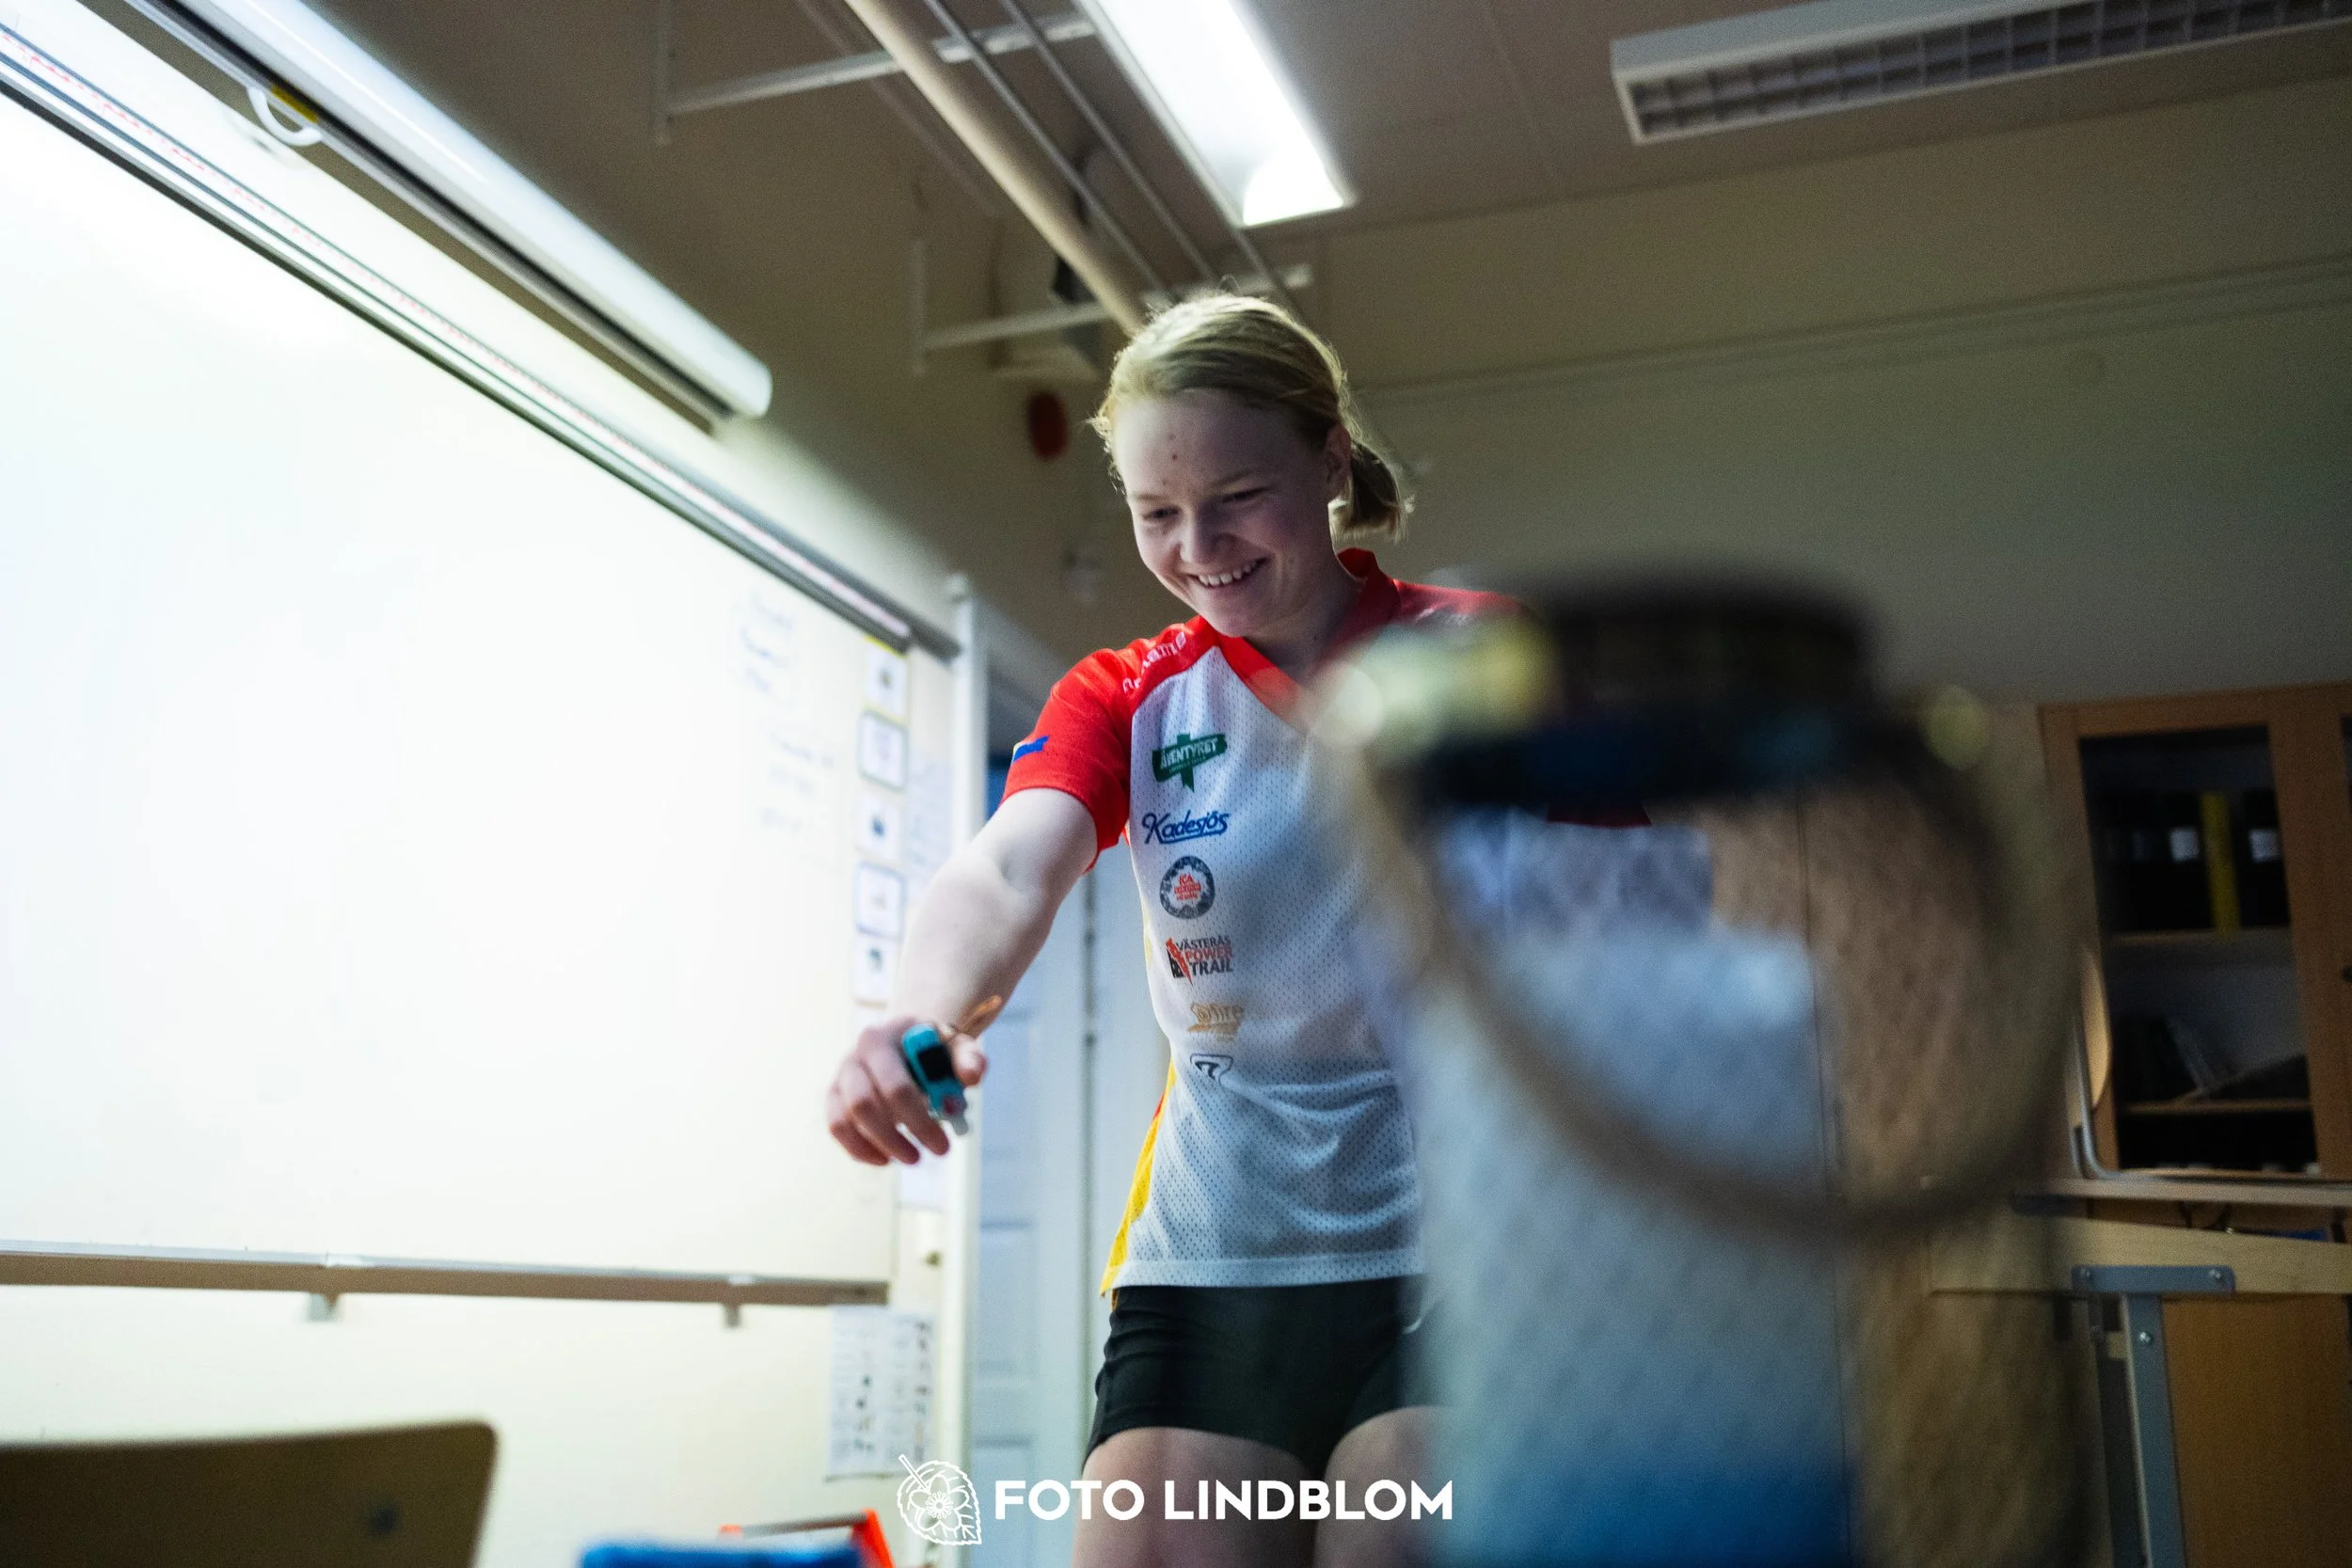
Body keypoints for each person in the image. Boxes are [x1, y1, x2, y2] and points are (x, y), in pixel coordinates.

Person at [824, 293, 1510, 1568]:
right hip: (1212, 1255)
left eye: (1238, 496)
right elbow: (1008, 869)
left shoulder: (1483, 656)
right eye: (1156, 513)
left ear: (1331, 460)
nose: (1200, 548)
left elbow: (1639, 906)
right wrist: (916, 1015)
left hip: (1461, 1246)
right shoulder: (1133, 697)